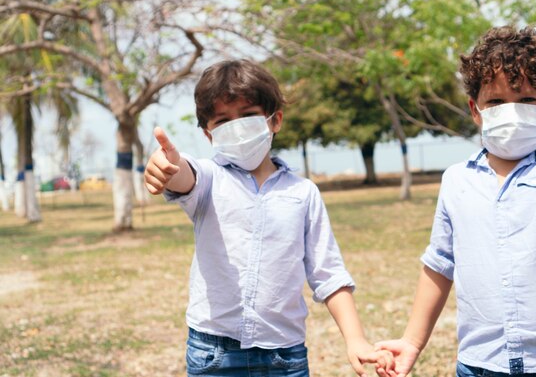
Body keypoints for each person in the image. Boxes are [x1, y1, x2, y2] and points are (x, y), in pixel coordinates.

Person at [375, 26, 536, 377]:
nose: (512, 112)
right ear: (476, 109)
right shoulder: (456, 181)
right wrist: (412, 342)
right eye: (497, 102)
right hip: (482, 363)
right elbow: (440, 263)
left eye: (528, 100)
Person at [144, 59, 393, 377]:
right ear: (209, 136)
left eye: (248, 115)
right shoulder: (209, 179)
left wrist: (356, 339)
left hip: (283, 356)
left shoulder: (304, 193)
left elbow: (327, 273)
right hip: (213, 353)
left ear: (275, 120)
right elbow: (184, 173)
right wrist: (167, 164)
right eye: (222, 121)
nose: (236, 127)